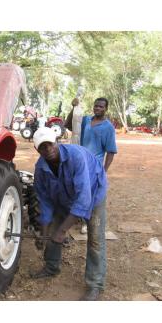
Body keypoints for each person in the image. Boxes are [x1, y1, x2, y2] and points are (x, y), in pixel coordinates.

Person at [30, 127, 108, 301]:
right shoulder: (40, 169)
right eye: (42, 147)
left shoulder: (76, 157)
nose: (48, 149)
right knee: (51, 231)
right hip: (64, 196)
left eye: (50, 144)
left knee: (95, 239)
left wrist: (63, 231)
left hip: (93, 192)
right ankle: (51, 267)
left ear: (57, 141)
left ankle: (95, 284)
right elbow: (45, 201)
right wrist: (44, 232)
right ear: (37, 149)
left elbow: (84, 198)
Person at [66, 97, 117, 234]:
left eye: (101, 107)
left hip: (94, 166)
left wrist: (103, 171)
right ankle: (78, 218)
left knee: (91, 193)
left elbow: (111, 151)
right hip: (79, 162)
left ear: (106, 109)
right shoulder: (86, 121)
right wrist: (73, 108)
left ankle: (86, 223)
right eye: (96, 106)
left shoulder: (108, 128)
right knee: (78, 190)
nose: (98, 108)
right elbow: (70, 125)